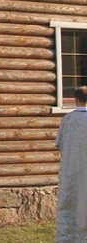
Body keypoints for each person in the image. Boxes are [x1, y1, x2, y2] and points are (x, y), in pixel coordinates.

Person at [56, 86, 87, 242]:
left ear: (75, 100)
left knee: (70, 205)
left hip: (71, 172)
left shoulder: (67, 120)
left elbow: (60, 143)